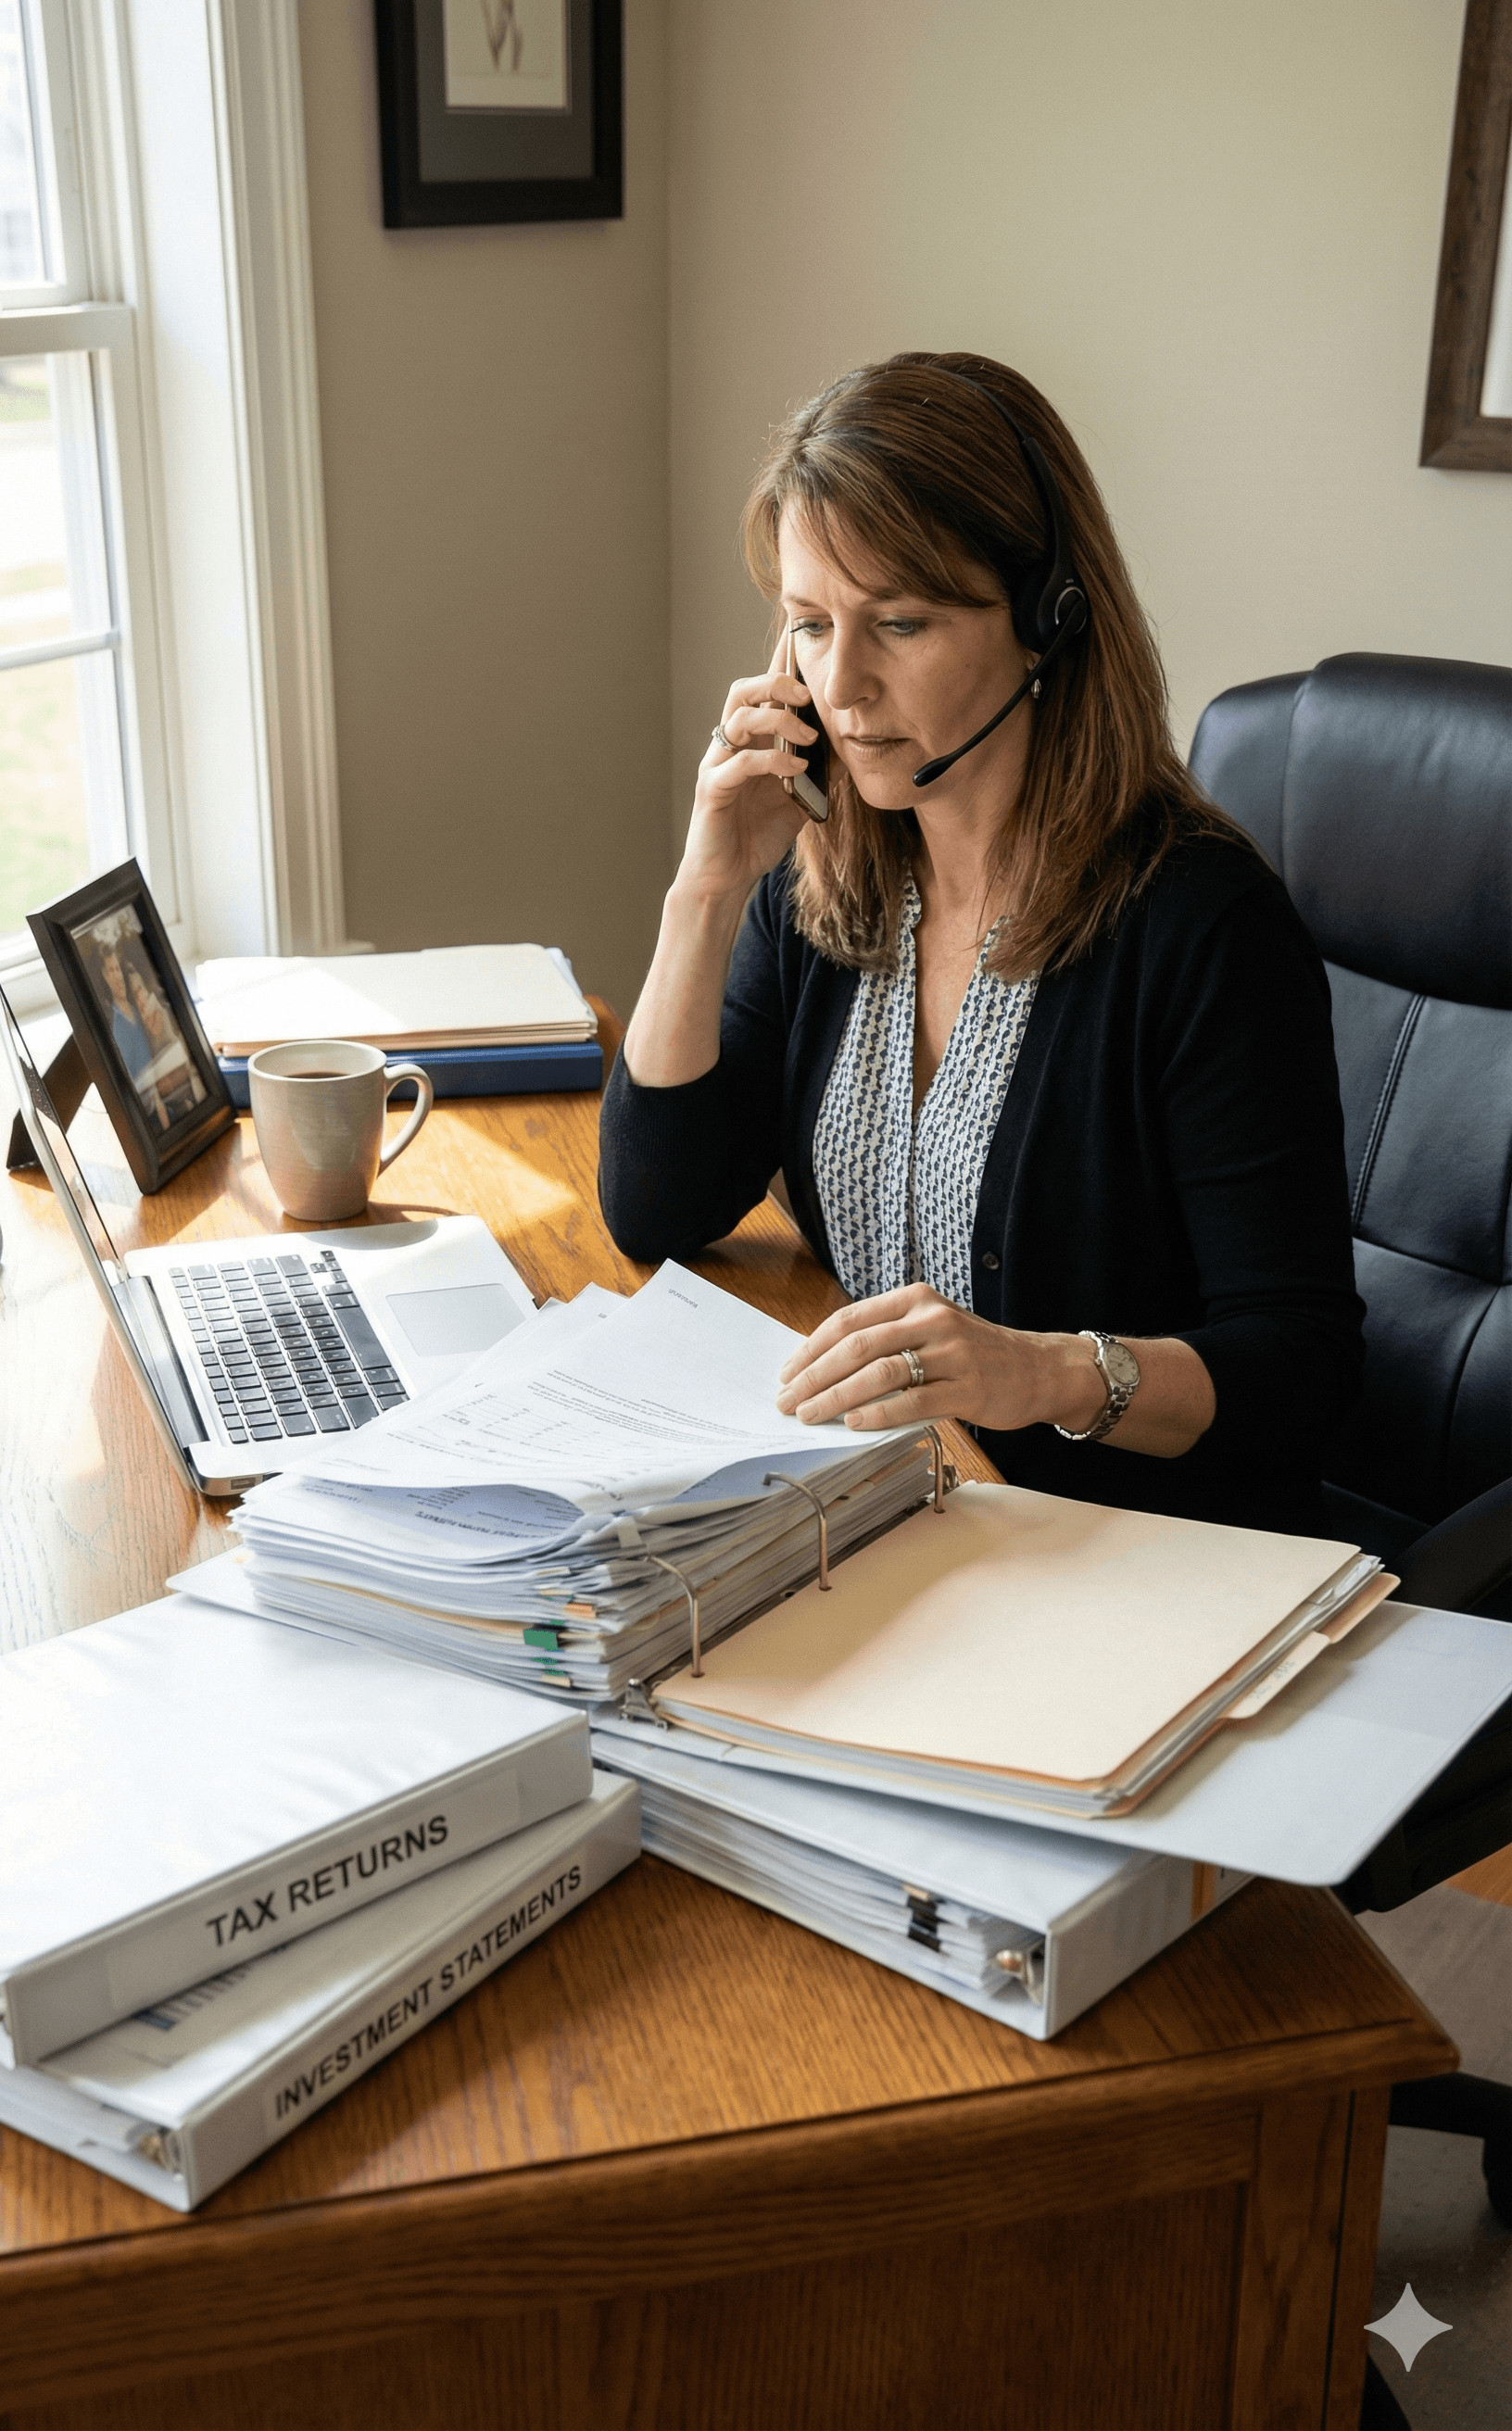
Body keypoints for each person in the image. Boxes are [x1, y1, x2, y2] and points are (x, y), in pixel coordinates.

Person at [598, 353, 1363, 1535]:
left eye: (899, 622)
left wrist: (1042, 1371)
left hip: (1131, 1557)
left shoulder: (1202, 926)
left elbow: (1298, 1373)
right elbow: (658, 1205)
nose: (841, 684)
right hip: (904, 1517)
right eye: (809, 624)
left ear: (1046, 618)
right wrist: (703, 887)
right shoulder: (829, 879)